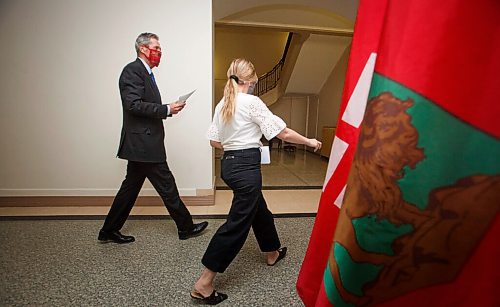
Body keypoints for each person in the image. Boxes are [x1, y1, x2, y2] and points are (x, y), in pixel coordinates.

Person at [191, 58, 322, 304]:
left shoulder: (223, 104)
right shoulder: (251, 102)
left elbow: (214, 141)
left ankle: (271, 251)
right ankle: (205, 282)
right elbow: (281, 133)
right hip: (246, 169)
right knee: (237, 224)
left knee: (258, 210)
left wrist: (237, 144)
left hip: (229, 166)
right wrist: (310, 142)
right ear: (251, 80)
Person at [98, 32, 208, 244]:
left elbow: (142, 104)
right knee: (166, 185)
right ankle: (185, 227)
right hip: (143, 143)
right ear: (143, 49)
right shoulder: (133, 70)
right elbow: (133, 105)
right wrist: (166, 109)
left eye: (160, 49)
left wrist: (167, 108)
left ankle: (108, 231)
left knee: (130, 189)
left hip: (143, 142)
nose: (159, 52)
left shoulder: (145, 73)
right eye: (156, 48)